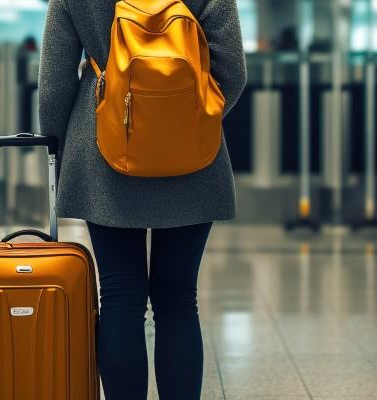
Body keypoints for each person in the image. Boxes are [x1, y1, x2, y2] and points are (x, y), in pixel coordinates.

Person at [36, 0, 246, 399]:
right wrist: (188, 119)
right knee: (179, 297)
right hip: (193, 159)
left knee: (119, 294)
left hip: (102, 147)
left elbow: (54, 83)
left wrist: (61, 147)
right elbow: (232, 71)